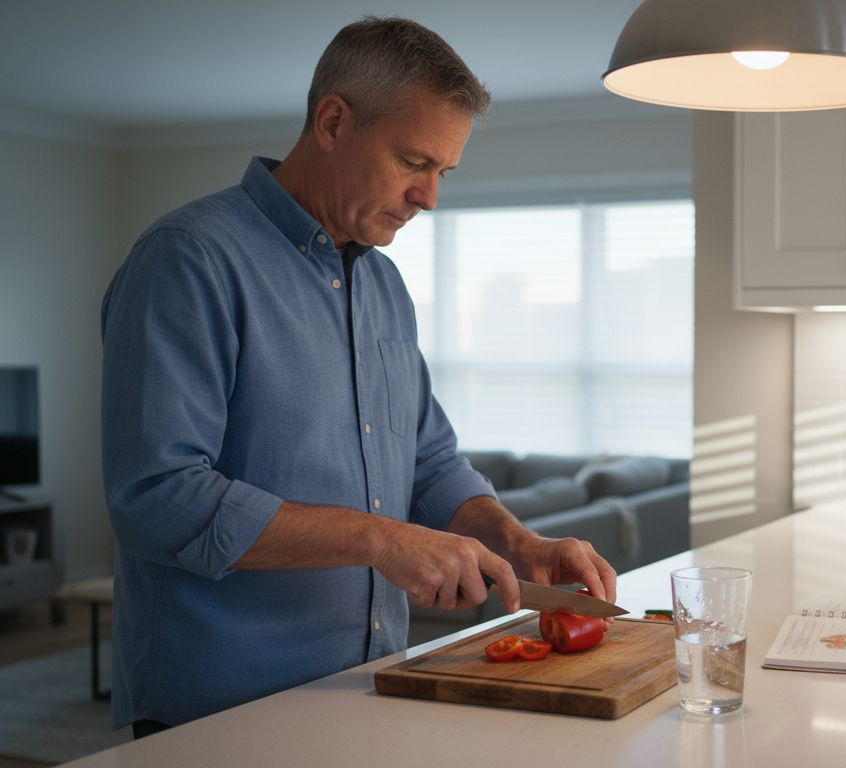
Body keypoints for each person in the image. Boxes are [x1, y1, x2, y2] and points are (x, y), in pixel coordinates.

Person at [100, 16, 617, 737]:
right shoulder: (188, 262)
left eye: (444, 171)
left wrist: (516, 542)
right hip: (219, 714)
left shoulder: (385, 287)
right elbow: (155, 498)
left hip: (371, 688)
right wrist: (380, 539)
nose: (430, 197)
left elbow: (428, 462)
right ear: (334, 122)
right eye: (413, 162)